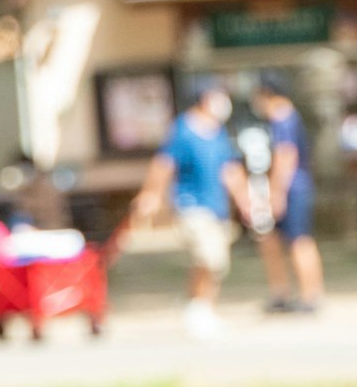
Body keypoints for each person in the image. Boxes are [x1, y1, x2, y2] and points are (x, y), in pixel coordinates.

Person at [122, 84, 241, 336]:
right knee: (208, 257)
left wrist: (245, 201)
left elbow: (230, 171)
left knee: (217, 263)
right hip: (192, 205)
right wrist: (150, 194)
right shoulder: (183, 130)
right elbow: (164, 164)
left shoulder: (217, 133)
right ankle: (196, 310)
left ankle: (204, 308)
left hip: (217, 207)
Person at [251, 74, 323, 313]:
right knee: (271, 240)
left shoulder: (283, 117)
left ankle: (310, 294)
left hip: (292, 187)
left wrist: (277, 192)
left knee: (299, 240)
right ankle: (281, 292)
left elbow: (286, 156)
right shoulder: (283, 118)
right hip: (292, 186)